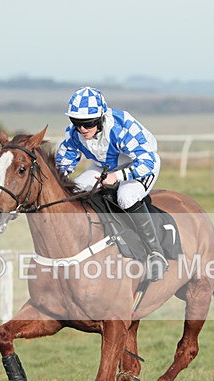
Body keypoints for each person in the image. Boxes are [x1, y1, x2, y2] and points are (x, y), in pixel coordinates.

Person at [55, 86, 168, 281]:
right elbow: (63, 163)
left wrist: (118, 177)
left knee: (126, 197)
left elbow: (147, 162)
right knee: (77, 191)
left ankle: (156, 253)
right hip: (105, 166)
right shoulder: (74, 133)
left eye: (88, 123)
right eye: (77, 123)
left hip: (139, 164)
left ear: (100, 118)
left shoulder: (121, 127)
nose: (82, 129)